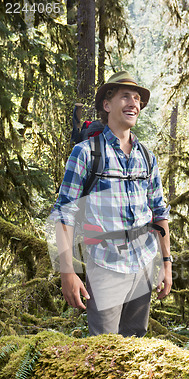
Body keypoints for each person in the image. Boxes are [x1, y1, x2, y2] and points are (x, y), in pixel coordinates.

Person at [51, 71, 172, 337]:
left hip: (143, 265)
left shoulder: (147, 158)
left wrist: (166, 264)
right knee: (106, 352)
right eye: (125, 96)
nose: (133, 103)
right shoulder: (86, 153)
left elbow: (159, 213)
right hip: (105, 266)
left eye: (137, 98)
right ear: (107, 105)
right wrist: (67, 272)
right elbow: (64, 214)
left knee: (135, 346)